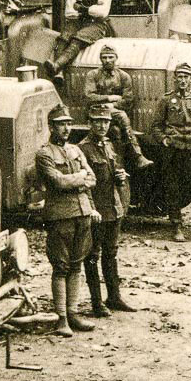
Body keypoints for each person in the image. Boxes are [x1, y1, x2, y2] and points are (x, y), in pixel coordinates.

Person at [36, 104, 101, 337]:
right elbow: (57, 182)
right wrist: (80, 178)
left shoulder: (75, 149)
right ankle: (61, 318)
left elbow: (92, 178)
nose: (66, 128)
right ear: (51, 127)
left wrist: (77, 179)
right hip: (60, 216)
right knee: (61, 267)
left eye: (68, 123)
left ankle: (73, 313)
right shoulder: (44, 154)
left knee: (76, 264)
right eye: (61, 124)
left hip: (82, 213)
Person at [78, 105, 136, 316]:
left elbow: (113, 173)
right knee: (92, 255)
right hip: (96, 210)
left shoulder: (109, 144)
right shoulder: (82, 149)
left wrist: (120, 177)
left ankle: (114, 297)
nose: (102, 126)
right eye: (97, 121)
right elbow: (84, 184)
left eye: (105, 122)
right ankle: (96, 303)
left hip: (113, 207)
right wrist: (91, 209)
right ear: (89, 123)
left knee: (111, 254)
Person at [152, 62, 191, 243]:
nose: (183, 80)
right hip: (173, 152)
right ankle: (176, 227)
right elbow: (156, 126)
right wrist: (164, 140)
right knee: (173, 189)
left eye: (186, 77)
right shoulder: (165, 100)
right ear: (175, 78)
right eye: (179, 76)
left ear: (190, 79)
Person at [45, 0, 114, 87]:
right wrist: (91, 9)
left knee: (77, 39)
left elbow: (103, 12)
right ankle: (59, 73)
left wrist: (82, 9)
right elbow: (69, 12)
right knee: (64, 38)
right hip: (77, 22)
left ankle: (56, 66)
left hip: (97, 24)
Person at [83, 44, 154, 170]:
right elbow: (89, 97)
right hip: (96, 112)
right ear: (100, 59)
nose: (107, 60)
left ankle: (118, 167)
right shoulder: (93, 74)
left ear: (116, 58)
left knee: (116, 131)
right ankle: (138, 156)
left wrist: (112, 105)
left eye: (111, 57)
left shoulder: (123, 76)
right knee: (122, 115)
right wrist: (109, 98)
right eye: (104, 57)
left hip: (113, 113)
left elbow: (128, 100)